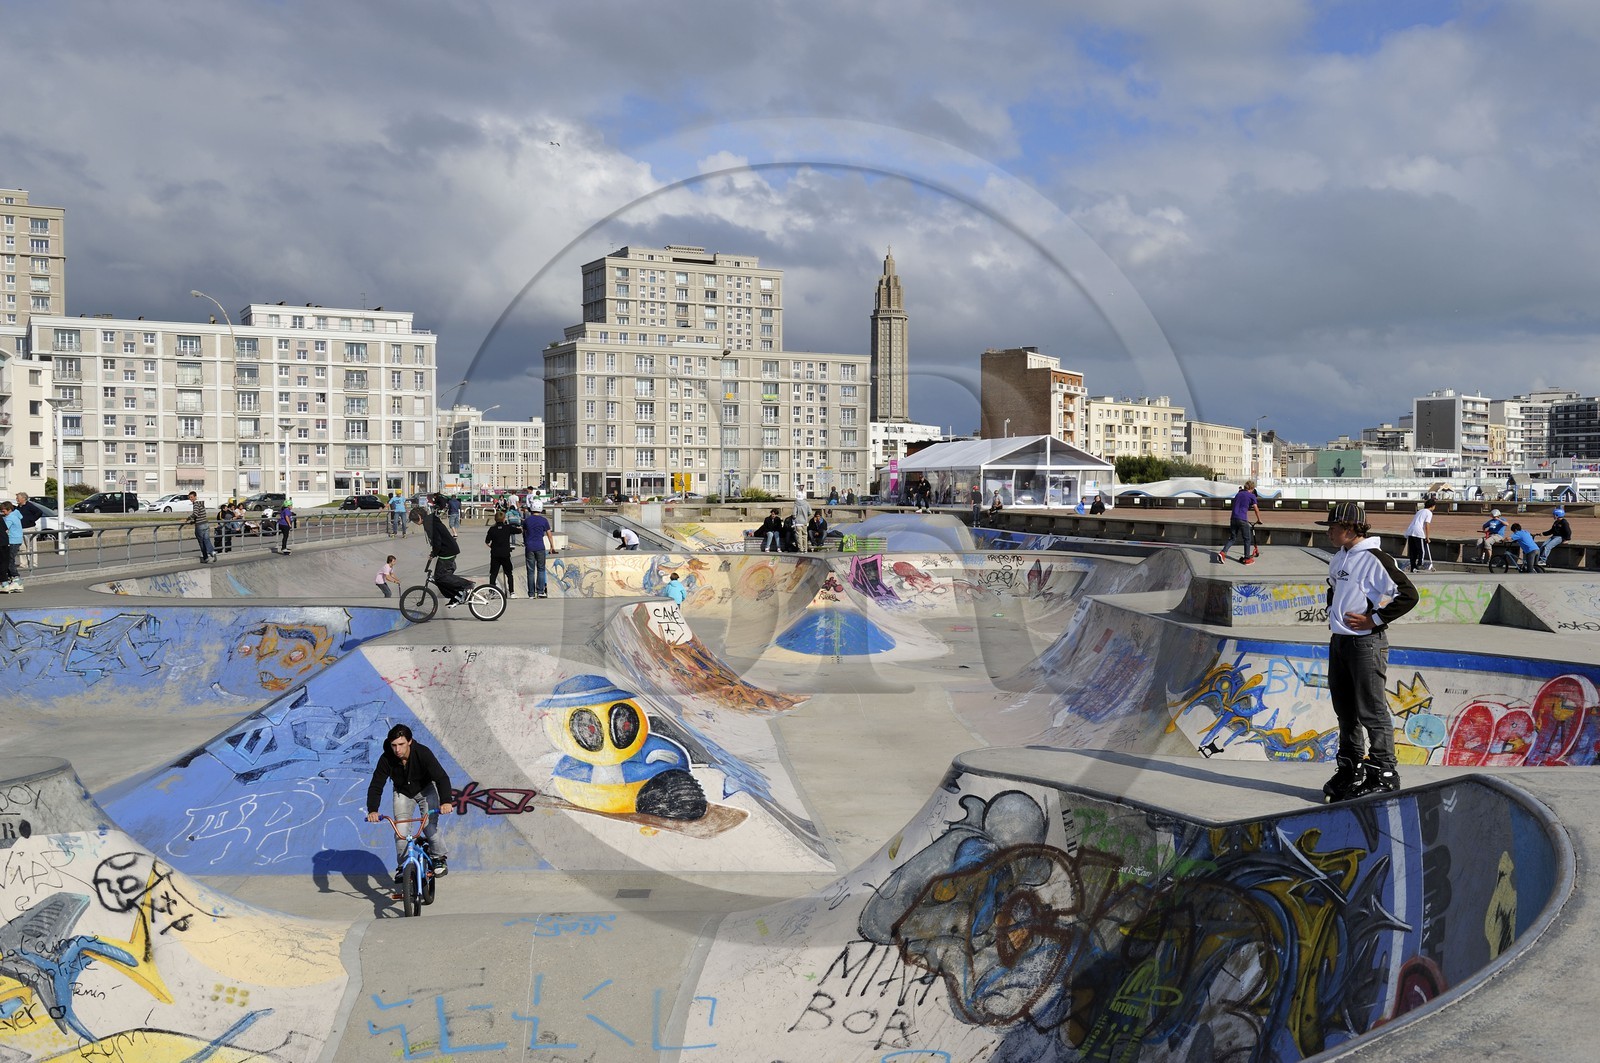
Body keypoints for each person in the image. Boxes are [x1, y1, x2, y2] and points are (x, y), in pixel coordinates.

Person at [1317, 501, 1419, 801]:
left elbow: (1408, 594)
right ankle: (1351, 767)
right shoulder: (1340, 557)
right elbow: (1333, 587)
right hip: (1340, 642)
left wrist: (1373, 619)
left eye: (1333, 528)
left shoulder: (1375, 558)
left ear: (1349, 529)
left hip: (1365, 644)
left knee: (1371, 710)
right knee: (1345, 712)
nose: (1329, 533)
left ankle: (1384, 773)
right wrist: (1332, 610)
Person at [365, 724, 453, 881]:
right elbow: (376, 784)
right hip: (403, 793)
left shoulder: (423, 753)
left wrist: (446, 801)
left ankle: (438, 858)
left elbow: (441, 778)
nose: (397, 750)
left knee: (429, 826)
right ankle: (403, 866)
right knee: (401, 831)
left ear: (410, 742)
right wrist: (373, 810)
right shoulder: (386, 758)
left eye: (401, 744)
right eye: (394, 745)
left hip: (426, 791)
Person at [412, 504, 475, 605]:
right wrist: (434, 552)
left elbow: (437, 540)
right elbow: (436, 539)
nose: (415, 523)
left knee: (441, 577)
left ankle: (467, 585)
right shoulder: (430, 521)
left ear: (419, 517)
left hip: (447, 551)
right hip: (447, 550)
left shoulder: (429, 523)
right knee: (439, 579)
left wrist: (434, 553)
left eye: (415, 520)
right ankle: (455, 596)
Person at [1218, 480, 1262, 565]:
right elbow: (1256, 508)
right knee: (1247, 539)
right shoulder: (1252, 496)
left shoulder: (1238, 494)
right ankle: (1247, 558)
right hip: (1242, 519)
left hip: (1233, 518)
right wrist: (1259, 519)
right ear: (1252, 488)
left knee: (1232, 538)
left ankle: (1222, 553)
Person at [522, 499, 557, 598]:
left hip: (529, 547)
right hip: (540, 547)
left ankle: (531, 594)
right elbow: (549, 534)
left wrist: (525, 542)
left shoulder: (527, 520)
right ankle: (540, 591)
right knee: (541, 569)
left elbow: (523, 532)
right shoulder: (544, 520)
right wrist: (552, 546)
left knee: (530, 571)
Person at [484, 509, 518, 598]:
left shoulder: (492, 529)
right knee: (509, 573)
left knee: (493, 574)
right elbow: (519, 531)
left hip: (495, 554)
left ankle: (491, 591)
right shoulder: (507, 528)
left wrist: (492, 546)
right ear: (504, 519)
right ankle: (512, 592)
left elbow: (487, 541)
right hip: (505, 554)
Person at [183, 491, 217, 564]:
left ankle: (206, 558)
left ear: (195, 497)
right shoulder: (201, 504)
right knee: (207, 539)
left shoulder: (195, 504)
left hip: (200, 526)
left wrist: (187, 519)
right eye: (189, 497)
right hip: (206, 524)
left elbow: (195, 514)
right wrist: (193, 521)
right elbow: (200, 515)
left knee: (201, 542)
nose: (190, 499)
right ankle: (212, 552)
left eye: (191, 497)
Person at [1403, 499, 1435, 572]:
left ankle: (1413, 567)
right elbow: (1427, 525)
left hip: (1410, 531)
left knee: (1412, 551)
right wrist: (1427, 537)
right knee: (1421, 550)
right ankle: (1420, 564)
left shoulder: (1419, 511)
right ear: (1433, 506)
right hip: (1418, 532)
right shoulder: (1429, 513)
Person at [0, 501, 20, 593]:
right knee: (6, 561)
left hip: (9, 541)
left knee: (9, 561)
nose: (2, 513)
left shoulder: (9, 518)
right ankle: (8, 581)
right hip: (7, 541)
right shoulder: (15, 516)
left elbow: (5, 528)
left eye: (3, 511)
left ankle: (13, 579)